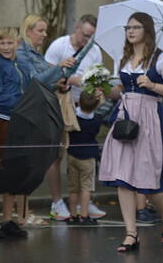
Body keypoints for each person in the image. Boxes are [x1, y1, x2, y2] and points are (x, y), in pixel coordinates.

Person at [99, 12, 163, 252]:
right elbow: (120, 91)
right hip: (125, 117)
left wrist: (153, 85)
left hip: (149, 118)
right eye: (128, 27)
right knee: (122, 177)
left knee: (148, 179)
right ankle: (131, 234)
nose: (130, 31)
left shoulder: (161, 59)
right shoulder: (123, 58)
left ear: (146, 30)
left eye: (135, 27)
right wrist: (104, 90)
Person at [43, 14, 105, 221]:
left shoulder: (94, 51)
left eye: (91, 37)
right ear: (76, 28)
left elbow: (97, 77)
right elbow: (45, 74)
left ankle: (83, 201)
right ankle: (57, 201)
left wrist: (96, 90)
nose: (86, 40)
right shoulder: (59, 45)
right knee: (57, 155)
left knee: (82, 157)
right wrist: (69, 79)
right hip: (61, 105)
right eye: (84, 35)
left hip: (83, 109)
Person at [16, 14, 73, 226]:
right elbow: (34, 81)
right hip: (26, 115)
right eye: (40, 30)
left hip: (37, 113)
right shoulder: (22, 53)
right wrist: (59, 68)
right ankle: (22, 214)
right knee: (24, 166)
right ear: (28, 30)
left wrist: (58, 83)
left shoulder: (34, 53)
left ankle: (24, 213)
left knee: (30, 165)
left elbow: (45, 80)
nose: (44, 34)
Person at [0, 27, 29, 239]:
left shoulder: (21, 64)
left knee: (12, 171)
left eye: (10, 43)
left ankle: (8, 219)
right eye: (2, 43)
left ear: (17, 43)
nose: (6, 47)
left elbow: (27, 89)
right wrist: (22, 104)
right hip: (0, 121)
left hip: (18, 122)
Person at [66, 90, 104, 226]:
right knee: (86, 187)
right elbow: (97, 113)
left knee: (73, 187)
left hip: (72, 155)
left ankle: (72, 215)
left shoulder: (73, 117)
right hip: (88, 158)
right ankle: (84, 215)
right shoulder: (96, 120)